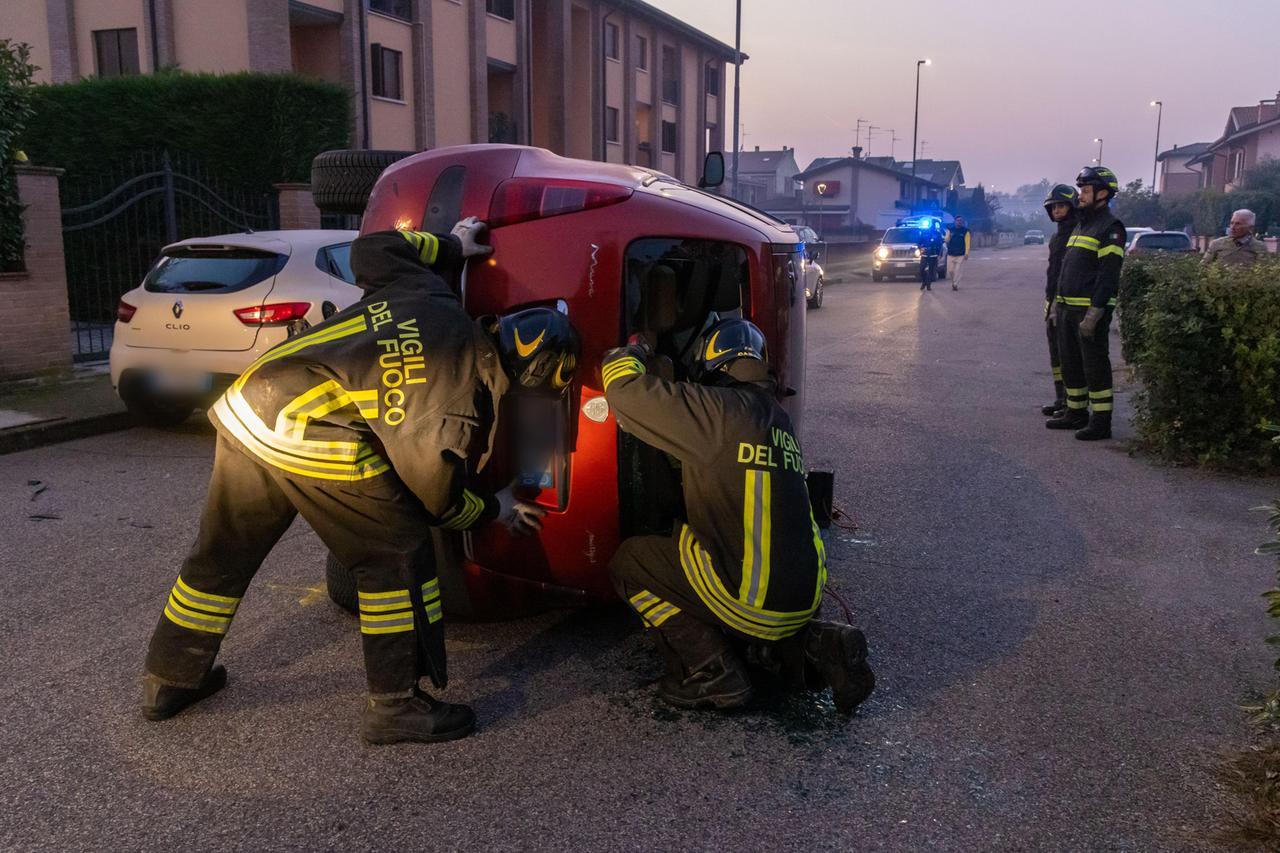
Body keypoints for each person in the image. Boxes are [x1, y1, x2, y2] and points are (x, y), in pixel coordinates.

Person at [141, 220, 581, 745]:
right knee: (395, 554)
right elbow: (435, 497)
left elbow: (373, 247)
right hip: (307, 428)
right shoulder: (455, 406)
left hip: (248, 401)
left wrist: (451, 245)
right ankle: (397, 706)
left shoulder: (432, 293)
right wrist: (495, 507)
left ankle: (170, 679)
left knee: (223, 551)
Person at [603, 318, 874, 714]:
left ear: (712, 366)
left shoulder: (717, 411)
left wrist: (632, 353)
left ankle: (710, 672)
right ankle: (820, 644)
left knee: (631, 562)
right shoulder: (778, 421)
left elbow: (623, 391)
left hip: (751, 601)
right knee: (748, 585)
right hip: (805, 598)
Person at [1046, 167, 1125, 441]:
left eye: (1086, 190)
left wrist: (1095, 313)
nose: (1081, 195)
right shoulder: (1082, 224)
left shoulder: (1110, 228)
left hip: (1087, 311)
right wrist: (1057, 303)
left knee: (1094, 365)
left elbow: (1108, 275)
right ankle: (1075, 412)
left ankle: (1101, 422)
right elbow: (1065, 267)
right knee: (1071, 364)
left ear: (1102, 194)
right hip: (1068, 308)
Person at [1040, 184, 1079, 417]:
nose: (1056, 211)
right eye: (1053, 207)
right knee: (1055, 355)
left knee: (1068, 356)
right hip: (1053, 300)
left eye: (1061, 206)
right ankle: (1060, 397)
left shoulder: (1077, 232)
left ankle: (1071, 402)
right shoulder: (1057, 236)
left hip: (1066, 303)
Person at [1203, 209, 1268, 266]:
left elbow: (1263, 272)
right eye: (1231, 223)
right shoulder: (1217, 243)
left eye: (1238, 224)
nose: (1232, 227)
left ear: (1250, 227)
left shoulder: (1259, 247)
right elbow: (1203, 266)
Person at [944, 215, 972, 291]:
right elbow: (946, 239)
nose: (959, 222)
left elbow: (967, 242)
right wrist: (946, 238)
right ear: (955, 221)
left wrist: (966, 253)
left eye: (960, 221)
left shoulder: (965, 231)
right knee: (950, 270)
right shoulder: (950, 230)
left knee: (958, 270)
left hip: (961, 254)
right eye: (958, 220)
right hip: (951, 253)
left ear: (962, 222)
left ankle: (955, 284)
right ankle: (953, 282)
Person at [919, 220, 944, 292]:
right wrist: (921, 248)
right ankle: (924, 282)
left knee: (931, 271)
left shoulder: (937, 234)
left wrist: (939, 253)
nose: (932, 226)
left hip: (933, 254)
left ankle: (928, 285)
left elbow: (940, 244)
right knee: (921, 270)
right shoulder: (924, 233)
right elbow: (919, 242)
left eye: (933, 224)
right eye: (931, 224)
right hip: (924, 254)